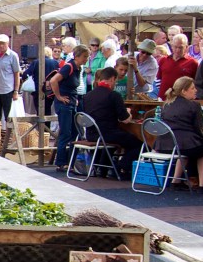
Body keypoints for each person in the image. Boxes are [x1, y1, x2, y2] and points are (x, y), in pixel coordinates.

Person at [82, 66, 141, 180]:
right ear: (112, 79)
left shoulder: (87, 96)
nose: (115, 84)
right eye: (115, 81)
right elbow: (125, 119)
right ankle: (119, 167)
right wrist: (129, 112)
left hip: (91, 134)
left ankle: (103, 169)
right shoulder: (114, 95)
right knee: (139, 144)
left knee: (116, 141)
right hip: (107, 134)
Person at [158, 76, 203, 192]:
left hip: (164, 145)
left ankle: (175, 182)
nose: (196, 90)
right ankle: (202, 185)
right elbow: (198, 128)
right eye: (192, 88)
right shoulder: (194, 106)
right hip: (184, 145)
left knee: (183, 150)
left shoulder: (166, 104)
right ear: (183, 91)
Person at [50, 43, 90, 172]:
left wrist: (75, 98)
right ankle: (61, 163)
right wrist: (59, 96)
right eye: (84, 56)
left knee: (76, 132)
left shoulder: (78, 68)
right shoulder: (69, 66)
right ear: (77, 56)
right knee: (65, 133)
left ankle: (71, 162)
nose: (86, 59)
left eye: (87, 57)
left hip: (72, 102)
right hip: (64, 104)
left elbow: (73, 86)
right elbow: (53, 80)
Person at [158, 34, 199, 100]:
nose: (177, 50)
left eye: (180, 47)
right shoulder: (163, 60)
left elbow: (196, 83)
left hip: (182, 100)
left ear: (186, 47)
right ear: (172, 46)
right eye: (175, 47)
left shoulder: (193, 62)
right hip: (164, 99)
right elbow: (159, 79)